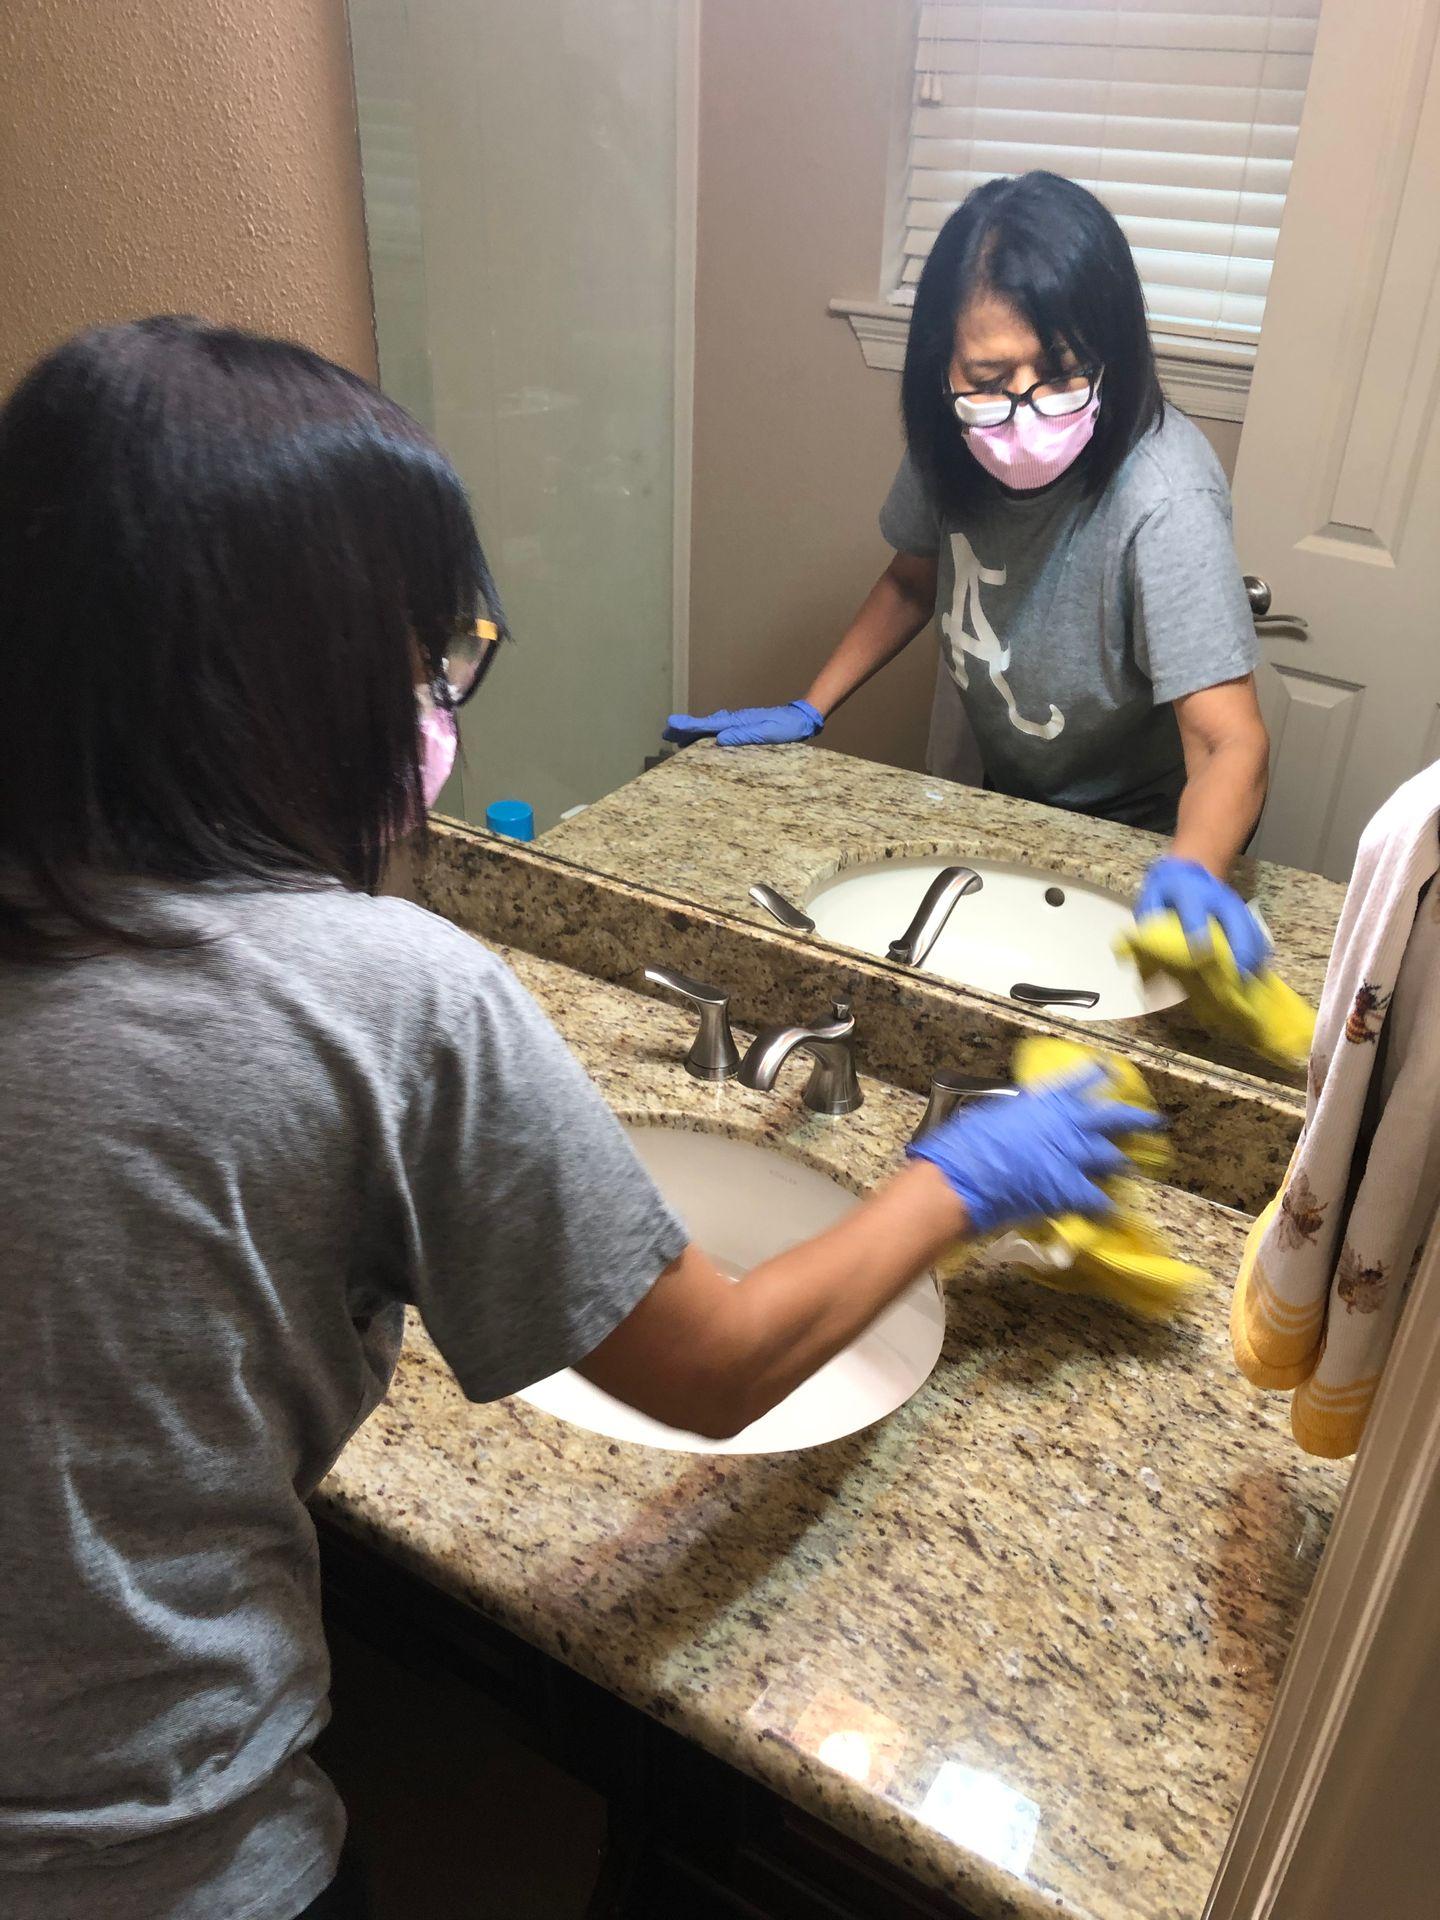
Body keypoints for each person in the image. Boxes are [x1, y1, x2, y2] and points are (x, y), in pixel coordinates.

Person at [0, 318, 1161, 1920]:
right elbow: (710, 1368)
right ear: (277, 676)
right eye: (422, 659)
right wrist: (957, 1183)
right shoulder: (388, 999)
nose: (436, 702)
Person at [668, 171, 1272, 977]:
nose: (1019, 409)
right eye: (988, 380)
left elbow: (1229, 741)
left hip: (1146, 830)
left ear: (1112, 353)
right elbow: (912, 581)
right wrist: (809, 705)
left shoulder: (1165, 495)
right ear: (940, 365)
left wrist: (1191, 868)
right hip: (1010, 792)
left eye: (1058, 373)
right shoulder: (953, 436)